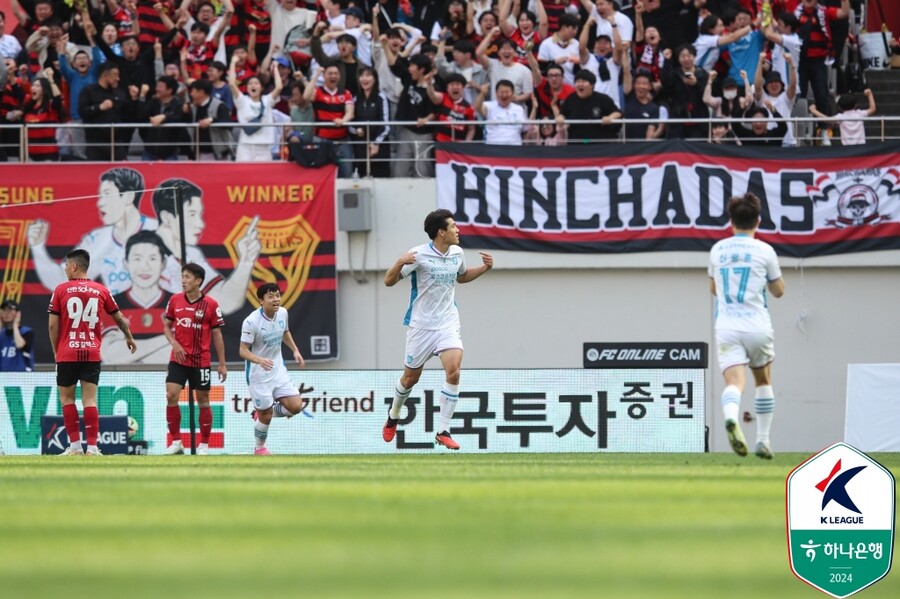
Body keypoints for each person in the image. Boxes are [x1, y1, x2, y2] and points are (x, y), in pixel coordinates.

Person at [382, 209, 493, 451]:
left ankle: (443, 430)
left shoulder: (457, 253)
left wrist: (484, 269)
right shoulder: (418, 255)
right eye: (453, 226)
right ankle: (394, 414)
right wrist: (400, 261)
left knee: (453, 371)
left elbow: (461, 278)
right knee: (410, 378)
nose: (458, 230)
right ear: (441, 232)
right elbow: (388, 281)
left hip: (448, 323)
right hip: (421, 327)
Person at [708, 193, 785, 460]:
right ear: (758, 221)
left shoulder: (718, 250)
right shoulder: (765, 251)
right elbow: (778, 291)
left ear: (731, 222)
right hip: (757, 325)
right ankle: (763, 441)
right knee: (763, 379)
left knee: (734, 383)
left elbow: (713, 288)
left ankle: (731, 418)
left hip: (727, 325)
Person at [49, 249, 137, 456]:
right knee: (90, 400)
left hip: (67, 353)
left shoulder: (61, 290)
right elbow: (120, 318)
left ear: (73, 266)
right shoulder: (101, 290)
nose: (64, 269)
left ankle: (74, 447)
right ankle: (93, 447)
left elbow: (53, 326)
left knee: (67, 399)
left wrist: (56, 350)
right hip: (91, 351)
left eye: (66, 266)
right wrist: (129, 336)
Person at [28, 167, 157, 296]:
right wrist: (38, 248)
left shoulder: (161, 232)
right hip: (118, 314)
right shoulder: (96, 239)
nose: (100, 203)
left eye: (107, 194)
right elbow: (63, 280)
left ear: (128, 196)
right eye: (99, 196)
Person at [162, 262, 227, 455]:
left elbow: (217, 335)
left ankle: (204, 445)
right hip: (178, 359)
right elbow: (166, 326)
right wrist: (174, 343)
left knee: (203, 400)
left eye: (188, 277)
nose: (183, 280)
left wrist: (222, 364)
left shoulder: (211, 305)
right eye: (182, 276)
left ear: (198, 281)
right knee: (171, 395)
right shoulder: (174, 300)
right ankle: (176, 443)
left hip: (201, 361)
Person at [239, 282, 306, 456]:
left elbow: (285, 332)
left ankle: (261, 413)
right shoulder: (251, 322)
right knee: (266, 417)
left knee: (296, 406)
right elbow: (242, 350)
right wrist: (259, 360)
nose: (276, 299)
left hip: (278, 370)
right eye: (271, 296)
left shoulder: (283, 313)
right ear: (261, 300)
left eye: (277, 295)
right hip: (258, 375)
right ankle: (259, 448)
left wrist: (295, 350)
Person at [102, 230, 173, 365]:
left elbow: (185, 352)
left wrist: (130, 356)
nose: (144, 267)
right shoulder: (112, 304)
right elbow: (110, 355)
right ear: (126, 263)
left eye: (152, 259)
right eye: (137, 259)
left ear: (163, 263)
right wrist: (168, 339)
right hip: (123, 382)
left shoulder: (177, 303)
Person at [810, 89, 876, 146]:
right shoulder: (860, 114)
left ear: (840, 108)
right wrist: (869, 94)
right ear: (855, 105)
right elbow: (873, 109)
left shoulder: (840, 117)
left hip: (847, 148)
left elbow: (827, 119)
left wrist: (814, 111)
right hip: (861, 146)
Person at [1, 299, 34, 372]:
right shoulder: (2, 334)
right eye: (4, 310)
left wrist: (15, 325)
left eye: (10, 310)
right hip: (3, 377)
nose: (6, 313)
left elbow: (19, 345)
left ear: (17, 313)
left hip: (22, 376)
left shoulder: (26, 332)